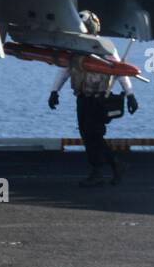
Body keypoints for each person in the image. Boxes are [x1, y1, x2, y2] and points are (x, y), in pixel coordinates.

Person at [48, 10, 138, 187]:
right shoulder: (75, 47)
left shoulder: (104, 47)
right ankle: (113, 166)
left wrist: (130, 94)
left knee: (93, 136)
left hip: (98, 99)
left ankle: (101, 171)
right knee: (88, 136)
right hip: (82, 98)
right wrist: (54, 91)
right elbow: (65, 70)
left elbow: (119, 71)